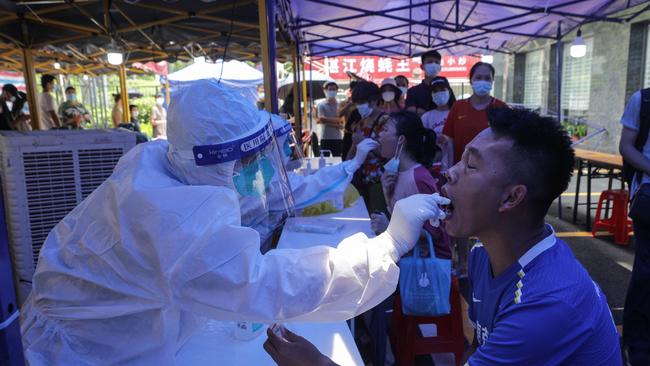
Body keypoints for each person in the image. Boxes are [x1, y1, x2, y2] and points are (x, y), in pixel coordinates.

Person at [20, 78, 449, 365]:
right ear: (212, 159)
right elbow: (265, 284)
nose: (252, 167)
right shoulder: (173, 221)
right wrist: (385, 247)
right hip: (84, 348)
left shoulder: (168, 163)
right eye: (241, 159)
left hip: (128, 326)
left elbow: (268, 195)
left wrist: (343, 170)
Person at [442, 108, 621, 364]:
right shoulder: (482, 254)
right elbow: (479, 346)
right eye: (460, 159)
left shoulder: (546, 303)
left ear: (512, 197)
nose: (451, 172)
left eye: (470, 165)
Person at [442, 62, 507, 277]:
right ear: (471, 80)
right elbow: (449, 140)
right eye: (479, 77)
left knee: (489, 221)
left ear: (492, 81)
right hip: (462, 174)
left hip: (491, 176)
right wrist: (450, 169)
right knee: (461, 218)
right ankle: (463, 264)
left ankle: (489, 265)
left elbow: (508, 143)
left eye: (487, 78)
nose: (483, 82)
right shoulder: (458, 107)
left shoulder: (500, 108)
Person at [372, 110, 451, 259]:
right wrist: (386, 191)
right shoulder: (394, 175)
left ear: (401, 139)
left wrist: (389, 227)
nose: (379, 136)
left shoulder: (418, 178)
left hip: (423, 270)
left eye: (385, 130)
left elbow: (435, 230)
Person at [619, 88, 650, 365]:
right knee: (645, 272)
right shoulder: (644, 99)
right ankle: (637, 346)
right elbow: (626, 145)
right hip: (649, 195)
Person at [347, 81, 389, 214]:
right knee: (362, 215)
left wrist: (363, 141)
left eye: (361, 102)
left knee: (377, 214)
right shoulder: (361, 122)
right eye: (357, 103)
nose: (359, 107)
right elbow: (352, 151)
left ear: (374, 100)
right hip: (361, 179)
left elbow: (387, 152)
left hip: (379, 180)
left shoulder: (386, 120)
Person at [421, 77, 457, 169]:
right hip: (435, 167)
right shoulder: (426, 117)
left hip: (456, 164)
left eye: (442, 90)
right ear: (431, 95)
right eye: (435, 91)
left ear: (449, 91)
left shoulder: (457, 114)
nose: (439, 93)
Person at [406, 50, 442, 116]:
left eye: (437, 62)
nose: (433, 65)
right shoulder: (413, 91)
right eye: (430, 62)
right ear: (422, 66)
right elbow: (410, 113)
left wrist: (422, 112)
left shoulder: (445, 89)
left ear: (440, 68)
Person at [316, 81, 343, 156]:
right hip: (325, 138)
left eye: (334, 89)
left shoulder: (340, 104)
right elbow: (321, 119)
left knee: (337, 160)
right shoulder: (321, 105)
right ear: (325, 91)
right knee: (324, 160)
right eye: (330, 89)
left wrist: (325, 121)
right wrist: (337, 123)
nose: (332, 91)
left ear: (337, 91)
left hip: (338, 138)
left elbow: (341, 120)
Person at [338, 81, 359, 160]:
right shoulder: (344, 103)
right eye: (354, 90)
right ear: (351, 91)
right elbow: (339, 114)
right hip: (348, 134)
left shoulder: (363, 103)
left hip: (360, 133)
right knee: (346, 157)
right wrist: (350, 103)